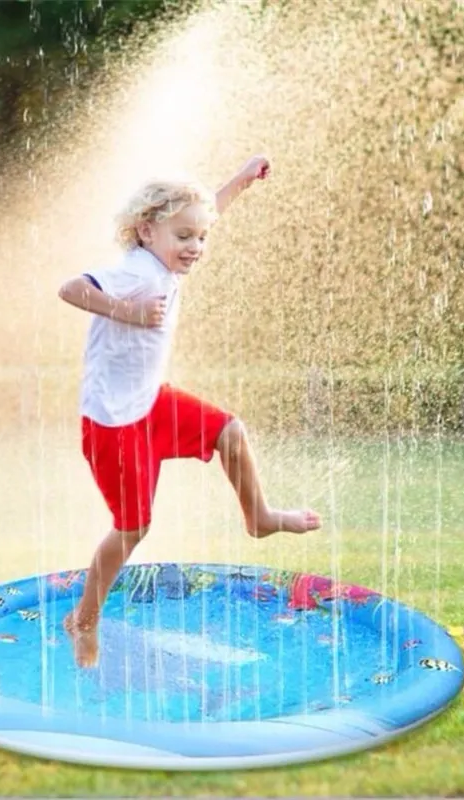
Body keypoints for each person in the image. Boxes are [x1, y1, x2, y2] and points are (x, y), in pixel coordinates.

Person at [57, 155, 322, 668]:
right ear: (146, 230)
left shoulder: (163, 254)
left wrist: (241, 180)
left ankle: (260, 517)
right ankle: (84, 619)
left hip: (153, 402)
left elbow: (208, 212)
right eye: (185, 238)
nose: (196, 247)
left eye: (200, 238)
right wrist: (128, 312)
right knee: (132, 528)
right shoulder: (134, 272)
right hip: (114, 425)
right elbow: (70, 289)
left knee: (230, 432)